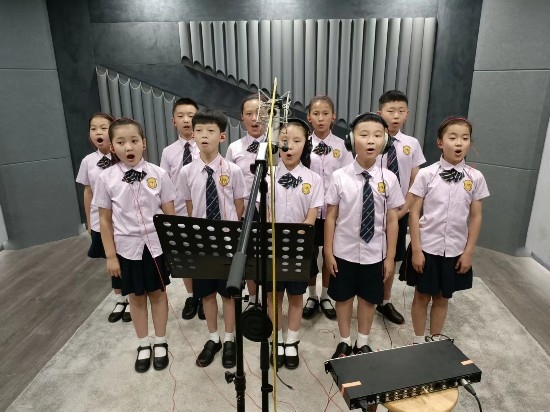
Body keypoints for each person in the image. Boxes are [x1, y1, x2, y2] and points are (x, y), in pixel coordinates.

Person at [94, 118, 176, 373]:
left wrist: (173, 248)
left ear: (144, 143)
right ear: (112, 147)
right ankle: (143, 343)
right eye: (120, 142)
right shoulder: (105, 178)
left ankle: (160, 341)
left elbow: (169, 214)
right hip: (127, 249)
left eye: (133, 141)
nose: (128, 147)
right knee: (136, 297)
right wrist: (110, 256)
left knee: (158, 294)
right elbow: (104, 220)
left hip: (156, 246)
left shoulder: (159, 174)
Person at [399, 117, 489, 344]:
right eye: (453, 137)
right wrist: (416, 250)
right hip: (427, 247)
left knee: (442, 298)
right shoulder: (426, 174)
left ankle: (435, 341)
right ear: (440, 142)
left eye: (465, 138)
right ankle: (418, 341)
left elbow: (476, 217)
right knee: (422, 296)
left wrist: (468, 252)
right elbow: (414, 213)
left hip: (455, 250)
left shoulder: (475, 177)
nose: (459, 143)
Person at [325, 113, 404, 359]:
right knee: (343, 297)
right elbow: (331, 217)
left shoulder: (389, 179)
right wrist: (328, 251)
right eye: (364, 135)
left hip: (375, 253)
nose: (371, 140)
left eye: (378, 135)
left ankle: (363, 341)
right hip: (344, 251)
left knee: (369, 299)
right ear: (351, 140)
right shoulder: (339, 177)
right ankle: (344, 341)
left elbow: (392, 220)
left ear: (385, 142)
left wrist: (390, 257)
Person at [179, 108, 247, 368]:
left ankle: (229, 338)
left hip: (227, 242)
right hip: (201, 242)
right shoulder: (186, 172)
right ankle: (213, 337)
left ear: (222, 136)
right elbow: (189, 206)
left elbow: (239, 205)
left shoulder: (233, 170)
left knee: (228, 294)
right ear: (193, 135)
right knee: (206, 294)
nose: (204, 135)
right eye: (199, 130)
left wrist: (228, 232)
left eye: (210, 130)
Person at [265, 118, 323, 370]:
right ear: (277, 143)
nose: (289, 146)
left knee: (296, 296)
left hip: (300, 248)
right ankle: (276, 339)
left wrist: (297, 237)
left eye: (296, 141)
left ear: (305, 144)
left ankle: (292, 340)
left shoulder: (314, 178)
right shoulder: (267, 176)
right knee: (274, 296)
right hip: (273, 247)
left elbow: (311, 216)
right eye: (284, 141)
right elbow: (266, 214)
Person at [376, 90, 426, 324]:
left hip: (400, 210)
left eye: (400, 111)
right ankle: (366, 295)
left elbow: (416, 180)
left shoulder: (411, 144)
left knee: (392, 255)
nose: (395, 116)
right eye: (390, 111)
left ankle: (385, 300)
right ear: (380, 113)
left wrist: (404, 208)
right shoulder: (371, 139)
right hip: (372, 209)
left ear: (407, 114)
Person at [76, 113, 132, 323]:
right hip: (101, 220)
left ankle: (132, 296)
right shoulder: (88, 161)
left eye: (103, 128)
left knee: (127, 259)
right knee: (111, 260)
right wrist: (89, 222)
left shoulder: (125, 157)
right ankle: (120, 298)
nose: (98, 132)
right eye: (93, 128)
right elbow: (88, 192)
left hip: (124, 221)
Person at [303, 95, 354, 321]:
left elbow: (347, 178)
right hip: (309, 210)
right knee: (310, 253)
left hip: (333, 211)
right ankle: (311, 295)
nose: (321, 118)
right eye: (316, 114)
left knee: (328, 252)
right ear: (309, 117)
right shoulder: (303, 144)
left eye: (325, 114)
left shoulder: (342, 146)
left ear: (333, 117)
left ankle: (325, 295)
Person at [159, 97, 204, 321]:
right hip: (177, 212)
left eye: (191, 116)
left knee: (204, 256)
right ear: (173, 121)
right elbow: (163, 185)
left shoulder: (206, 146)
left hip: (202, 211)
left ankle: (206, 295)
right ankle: (192, 296)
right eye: (181, 116)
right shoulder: (168, 152)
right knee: (185, 257)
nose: (186, 120)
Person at [225, 94, 266, 310]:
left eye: (260, 113)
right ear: (242, 117)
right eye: (249, 113)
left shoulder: (277, 145)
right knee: (247, 254)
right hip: (245, 209)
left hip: (270, 207)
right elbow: (228, 182)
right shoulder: (234, 148)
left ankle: (269, 297)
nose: (254, 118)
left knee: (268, 254)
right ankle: (252, 297)